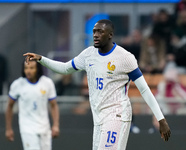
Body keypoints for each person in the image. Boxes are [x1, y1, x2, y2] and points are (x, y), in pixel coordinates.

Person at [24, 19, 171, 150]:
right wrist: (41, 59)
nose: (95, 34)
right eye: (94, 31)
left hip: (117, 115)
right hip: (99, 118)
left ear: (110, 35)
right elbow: (64, 68)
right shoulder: (88, 54)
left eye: (100, 31)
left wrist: (161, 119)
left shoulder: (125, 58)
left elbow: (144, 89)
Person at [5, 60, 60, 150]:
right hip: (27, 128)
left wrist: (56, 125)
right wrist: (8, 128)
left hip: (44, 128)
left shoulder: (47, 83)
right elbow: (10, 106)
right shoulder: (17, 84)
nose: (28, 71)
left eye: (31, 68)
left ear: (37, 69)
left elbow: (53, 105)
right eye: (26, 68)